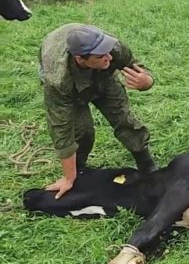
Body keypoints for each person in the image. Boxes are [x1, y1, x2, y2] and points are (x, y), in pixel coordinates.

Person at [39, 23, 157, 199]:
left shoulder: (113, 48)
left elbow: (138, 69)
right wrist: (68, 177)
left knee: (124, 119)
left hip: (103, 77)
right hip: (71, 88)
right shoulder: (58, 80)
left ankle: (147, 164)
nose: (109, 57)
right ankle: (78, 172)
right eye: (101, 55)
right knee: (82, 131)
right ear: (80, 59)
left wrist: (146, 81)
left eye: (108, 51)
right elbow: (61, 128)